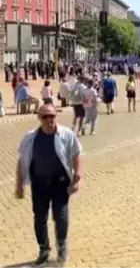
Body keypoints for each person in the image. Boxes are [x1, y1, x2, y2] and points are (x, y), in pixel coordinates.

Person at [15, 104, 83, 266]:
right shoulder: (30, 137)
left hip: (60, 183)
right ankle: (44, 250)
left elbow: (77, 154)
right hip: (39, 183)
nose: (49, 119)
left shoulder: (66, 134)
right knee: (40, 218)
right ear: (39, 118)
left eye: (51, 116)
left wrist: (78, 178)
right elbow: (21, 161)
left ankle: (62, 247)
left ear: (56, 116)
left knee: (61, 217)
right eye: (45, 116)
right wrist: (19, 185)